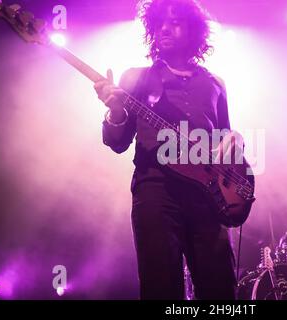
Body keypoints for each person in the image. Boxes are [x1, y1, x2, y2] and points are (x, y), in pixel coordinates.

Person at [94, 0, 238, 299]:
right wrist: (116, 112)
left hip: (207, 197)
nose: (164, 27)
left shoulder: (215, 84)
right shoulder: (135, 78)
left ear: (193, 29)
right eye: (159, 21)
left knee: (221, 288)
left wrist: (236, 142)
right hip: (156, 192)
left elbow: (224, 140)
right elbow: (117, 142)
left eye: (174, 21)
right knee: (160, 285)